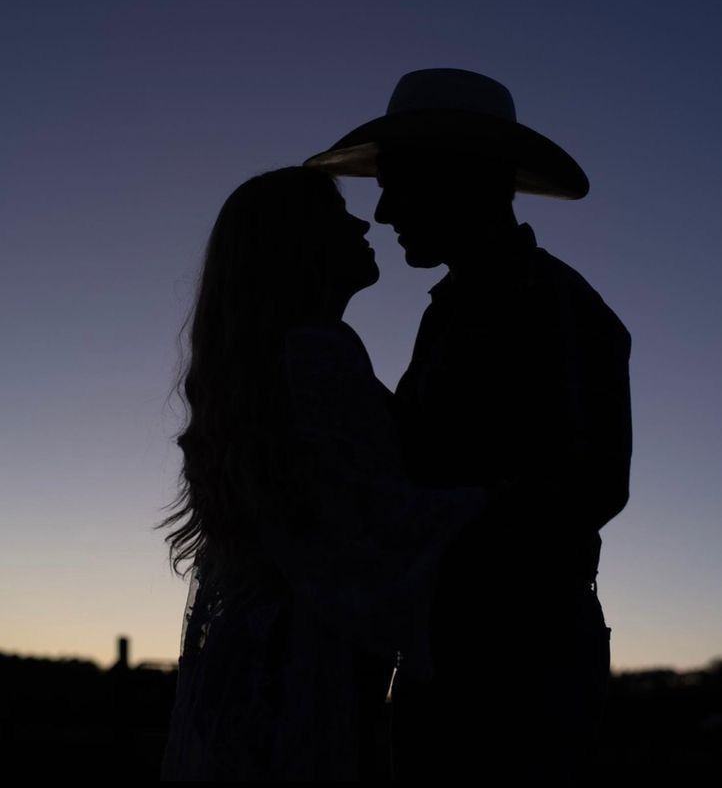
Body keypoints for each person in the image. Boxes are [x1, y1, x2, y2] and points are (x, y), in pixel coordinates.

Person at [304, 68, 633, 780]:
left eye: (398, 183)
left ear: (460, 178)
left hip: (518, 663)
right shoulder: (452, 309)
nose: (384, 211)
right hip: (452, 651)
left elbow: (590, 482)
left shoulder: (554, 304)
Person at [157, 166, 486, 781]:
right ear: (296, 242)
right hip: (298, 679)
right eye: (338, 215)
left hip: (255, 675)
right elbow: (370, 530)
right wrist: (501, 503)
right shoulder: (316, 352)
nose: (365, 222)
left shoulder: (268, 363)